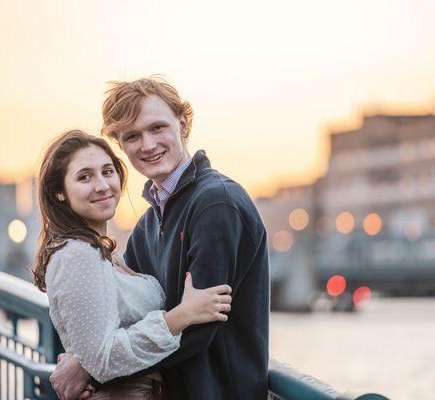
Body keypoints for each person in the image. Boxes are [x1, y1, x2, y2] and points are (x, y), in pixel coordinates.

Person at [51, 77, 271, 400]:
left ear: (183, 124)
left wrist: (90, 371)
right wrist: (91, 361)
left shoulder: (216, 205)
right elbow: (127, 321)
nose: (148, 145)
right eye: (132, 136)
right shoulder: (147, 226)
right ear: (120, 145)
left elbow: (200, 328)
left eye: (157, 128)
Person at [32, 130, 233, 399]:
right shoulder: (76, 255)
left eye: (107, 171)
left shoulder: (99, 250)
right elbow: (103, 361)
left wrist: (80, 362)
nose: (102, 185)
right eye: (84, 177)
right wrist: (183, 315)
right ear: (59, 192)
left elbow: (97, 348)